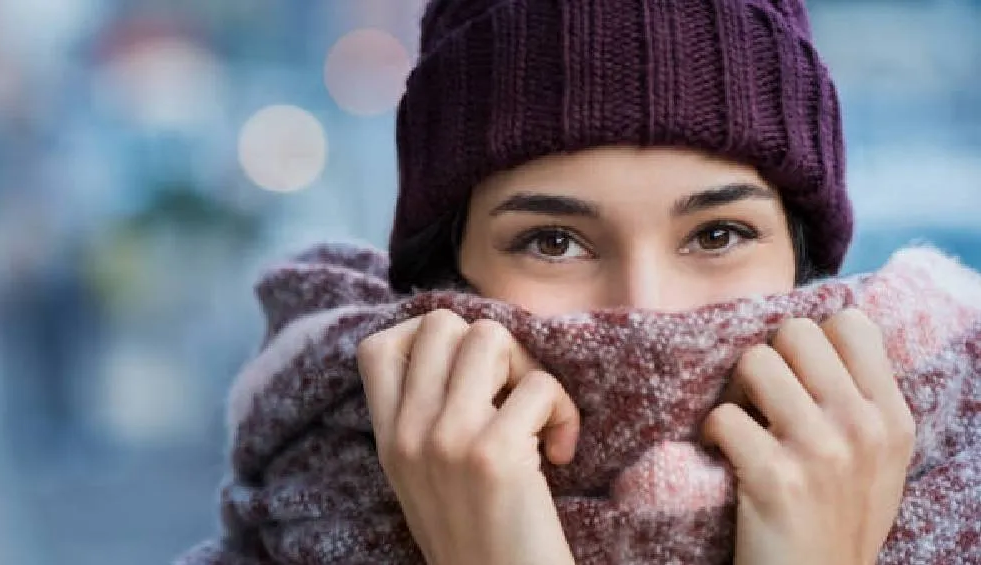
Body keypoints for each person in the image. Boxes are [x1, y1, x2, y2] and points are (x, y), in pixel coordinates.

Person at [352, 0, 916, 564]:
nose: (644, 309)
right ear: (448, 272)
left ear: (803, 261)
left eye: (718, 235)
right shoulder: (288, 506)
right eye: (554, 242)